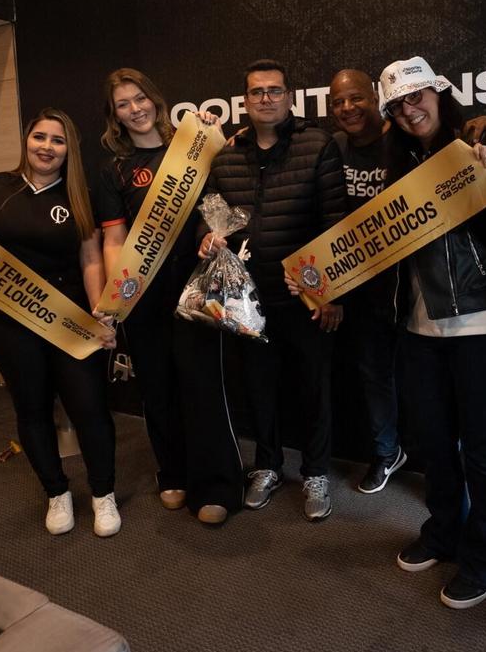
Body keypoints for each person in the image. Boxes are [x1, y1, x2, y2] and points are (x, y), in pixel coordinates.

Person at [379, 57, 486, 609]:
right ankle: (445, 531)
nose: (408, 110)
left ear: (440, 95)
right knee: (434, 444)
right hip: (422, 328)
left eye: (416, 97)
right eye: (396, 105)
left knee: (484, 449)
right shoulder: (397, 165)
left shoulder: (478, 147)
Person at [200, 59, 347, 520]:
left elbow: (336, 221)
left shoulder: (317, 144)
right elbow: (207, 217)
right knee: (259, 388)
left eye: (275, 91)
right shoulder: (225, 156)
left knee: (313, 388)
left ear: (290, 96)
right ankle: (267, 466)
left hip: (305, 296)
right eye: (257, 91)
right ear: (244, 100)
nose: (266, 98)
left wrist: (332, 292)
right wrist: (205, 238)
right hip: (247, 298)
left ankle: (317, 472)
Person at [0, 109, 120, 537]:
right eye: (39, 137)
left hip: (68, 321)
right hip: (8, 322)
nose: (46, 147)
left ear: (69, 149)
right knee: (31, 409)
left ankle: (103, 494)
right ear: (26, 140)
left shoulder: (81, 195)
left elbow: (90, 260)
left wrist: (99, 314)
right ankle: (56, 492)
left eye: (57, 140)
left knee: (89, 409)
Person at [98, 68, 244, 525]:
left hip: (196, 283)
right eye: (123, 104)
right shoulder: (112, 169)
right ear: (114, 115)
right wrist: (115, 303)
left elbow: (217, 207)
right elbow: (112, 240)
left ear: (156, 100)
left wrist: (213, 234)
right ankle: (173, 473)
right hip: (143, 292)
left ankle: (217, 485)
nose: (135, 109)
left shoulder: (192, 147)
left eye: (140, 98)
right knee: (158, 388)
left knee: (201, 385)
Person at [329, 69, 405, 493]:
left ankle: (441, 459)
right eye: (338, 102)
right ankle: (386, 452)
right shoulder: (333, 147)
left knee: (423, 376)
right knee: (373, 374)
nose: (347, 108)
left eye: (355, 98)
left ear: (375, 97)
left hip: (409, 284)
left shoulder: (402, 137)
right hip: (358, 287)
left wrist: (479, 121)